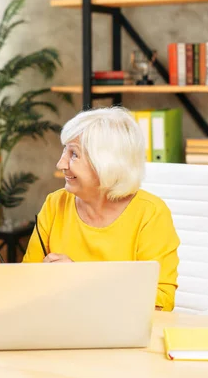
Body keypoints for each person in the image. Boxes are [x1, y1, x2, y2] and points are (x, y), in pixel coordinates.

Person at [22, 106, 179, 311]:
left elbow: (161, 302)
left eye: (74, 155)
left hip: (121, 333)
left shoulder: (150, 213)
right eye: (64, 151)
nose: (61, 163)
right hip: (61, 321)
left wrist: (81, 278)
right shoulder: (55, 203)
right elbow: (25, 282)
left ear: (106, 163)